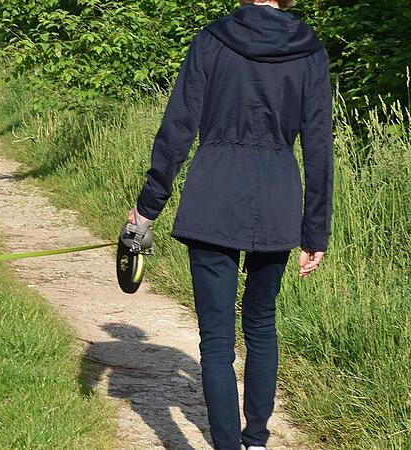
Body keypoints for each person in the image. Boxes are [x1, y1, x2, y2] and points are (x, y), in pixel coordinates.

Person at [128, 0, 333, 449]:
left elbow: (178, 126)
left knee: (216, 340)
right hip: (277, 197)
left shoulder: (211, 40)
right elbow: (319, 144)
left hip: (213, 196)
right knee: (261, 323)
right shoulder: (310, 50)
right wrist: (315, 229)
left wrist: (146, 210)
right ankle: (256, 440)